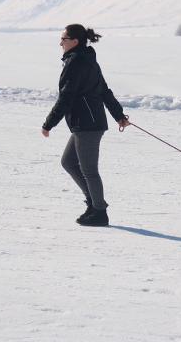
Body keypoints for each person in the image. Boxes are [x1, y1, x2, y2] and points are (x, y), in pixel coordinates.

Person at [41, 24, 130, 227]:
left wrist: (49, 124)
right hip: (87, 122)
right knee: (68, 162)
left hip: (87, 123)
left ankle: (99, 212)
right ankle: (94, 203)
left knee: (89, 170)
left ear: (75, 41)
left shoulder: (77, 62)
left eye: (63, 39)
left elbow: (67, 97)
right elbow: (104, 90)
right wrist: (118, 116)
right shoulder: (86, 59)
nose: (60, 42)